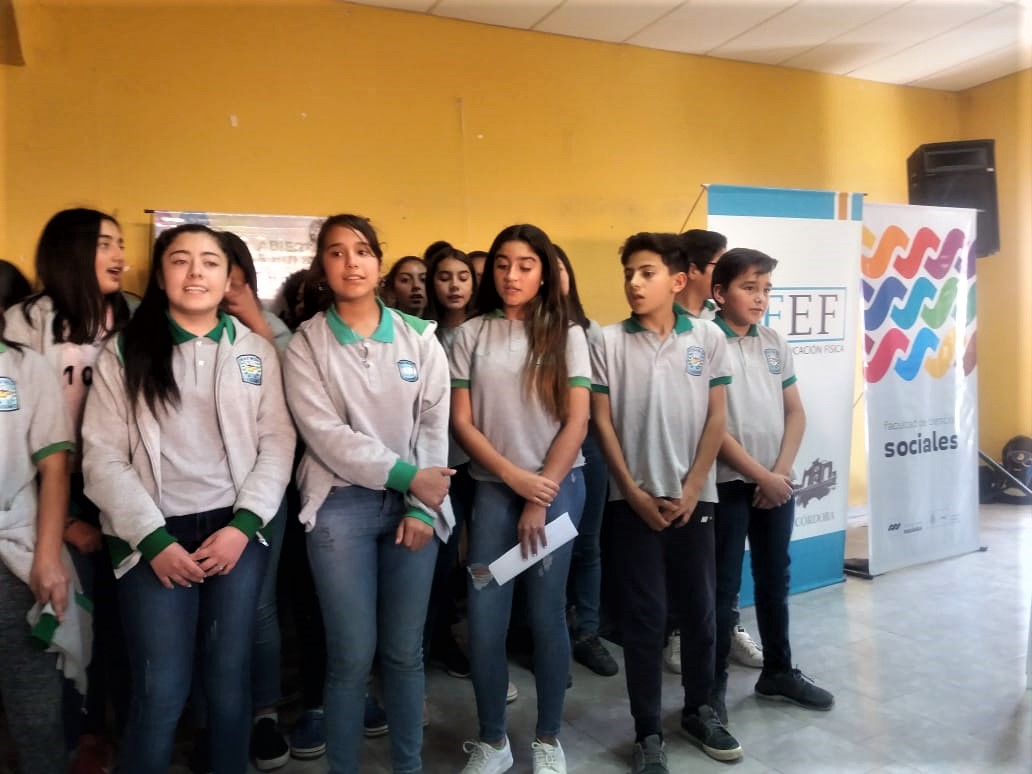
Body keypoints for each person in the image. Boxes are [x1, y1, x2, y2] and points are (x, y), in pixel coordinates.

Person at [81, 223, 296, 774]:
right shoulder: (124, 352)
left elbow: (277, 443)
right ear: (160, 276)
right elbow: (102, 458)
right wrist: (153, 541)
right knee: (161, 689)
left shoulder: (253, 351)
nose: (195, 272)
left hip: (234, 533)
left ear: (229, 279)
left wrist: (243, 526)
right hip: (153, 536)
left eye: (209, 262)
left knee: (228, 682)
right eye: (180, 260)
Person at [284, 214, 453, 774]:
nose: (350, 262)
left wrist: (422, 506)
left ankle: (408, 767)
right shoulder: (306, 344)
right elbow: (325, 435)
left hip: (416, 509)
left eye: (361, 251)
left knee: (404, 654)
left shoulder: (420, 338)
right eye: (336, 252)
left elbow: (433, 425)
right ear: (322, 267)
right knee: (350, 658)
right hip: (339, 506)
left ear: (378, 262)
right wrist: (410, 478)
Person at [590, 232, 741, 772]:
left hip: (695, 500)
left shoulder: (707, 337)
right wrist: (631, 491)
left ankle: (700, 710)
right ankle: (647, 729)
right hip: (630, 503)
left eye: (647, 272)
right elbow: (601, 422)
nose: (634, 283)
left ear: (678, 281)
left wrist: (695, 487)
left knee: (700, 611)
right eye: (629, 273)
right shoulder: (607, 341)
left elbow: (716, 416)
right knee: (645, 618)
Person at [451, 224, 589, 774]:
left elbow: (577, 420)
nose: (512, 275)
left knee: (547, 614)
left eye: (526, 265)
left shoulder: (568, 335)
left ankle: (548, 738)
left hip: (558, 490)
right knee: (485, 617)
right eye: (503, 264)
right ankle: (493, 741)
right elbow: (462, 422)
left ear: (544, 273)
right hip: (493, 491)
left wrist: (539, 494)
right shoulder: (470, 334)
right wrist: (514, 480)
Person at [4, 208, 134, 774]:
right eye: (106, 244)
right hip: (50, 487)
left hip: (122, 484)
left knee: (121, 623)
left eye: (121, 243)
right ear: (71, 251)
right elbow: (17, 435)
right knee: (64, 619)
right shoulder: (28, 320)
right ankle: (71, 737)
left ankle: (110, 734)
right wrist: (59, 523)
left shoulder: (131, 317)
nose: (120, 255)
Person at [710, 248, 834, 722]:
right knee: (721, 588)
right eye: (749, 287)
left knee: (774, 578)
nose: (760, 297)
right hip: (725, 485)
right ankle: (711, 689)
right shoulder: (705, 342)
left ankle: (778, 672)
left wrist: (778, 473)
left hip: (775, 484)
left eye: (765, 289)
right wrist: (760, 475)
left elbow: (795, 412)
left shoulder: (774, 341)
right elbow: (711, 427)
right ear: (720, 293)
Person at [668, 229, 764, 673]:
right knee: (684, 558)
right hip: (677, 465)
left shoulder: (718, 325)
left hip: (720, 468)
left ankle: (728, 626)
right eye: (717, 266)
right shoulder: (665, 323)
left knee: (723, 562)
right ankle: (677, 631)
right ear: (691, 272)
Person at [0, 312, 76, 774]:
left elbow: (54, 466)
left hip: (15, 551)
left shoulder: (25, 367)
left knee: (35, 709)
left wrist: (47, 560)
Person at [553, 244, 618, 678]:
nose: (555, 277)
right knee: (549, 546)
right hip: (542, 447)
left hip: (589, 442)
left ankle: (587, 633)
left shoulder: (589, 330)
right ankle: (550, 630)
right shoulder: (523, 329)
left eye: (561, 269)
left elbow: (601, 395)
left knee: (588, 542)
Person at [422, 244, 477, 679]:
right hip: (438, 465)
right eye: (444, 277)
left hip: (482, 463)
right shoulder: (422, 336)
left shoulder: (485, 332)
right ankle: (434, 640)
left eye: (462, 276)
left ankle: (485, 638)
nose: (454, 285)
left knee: (483, 559)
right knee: (439, 561)